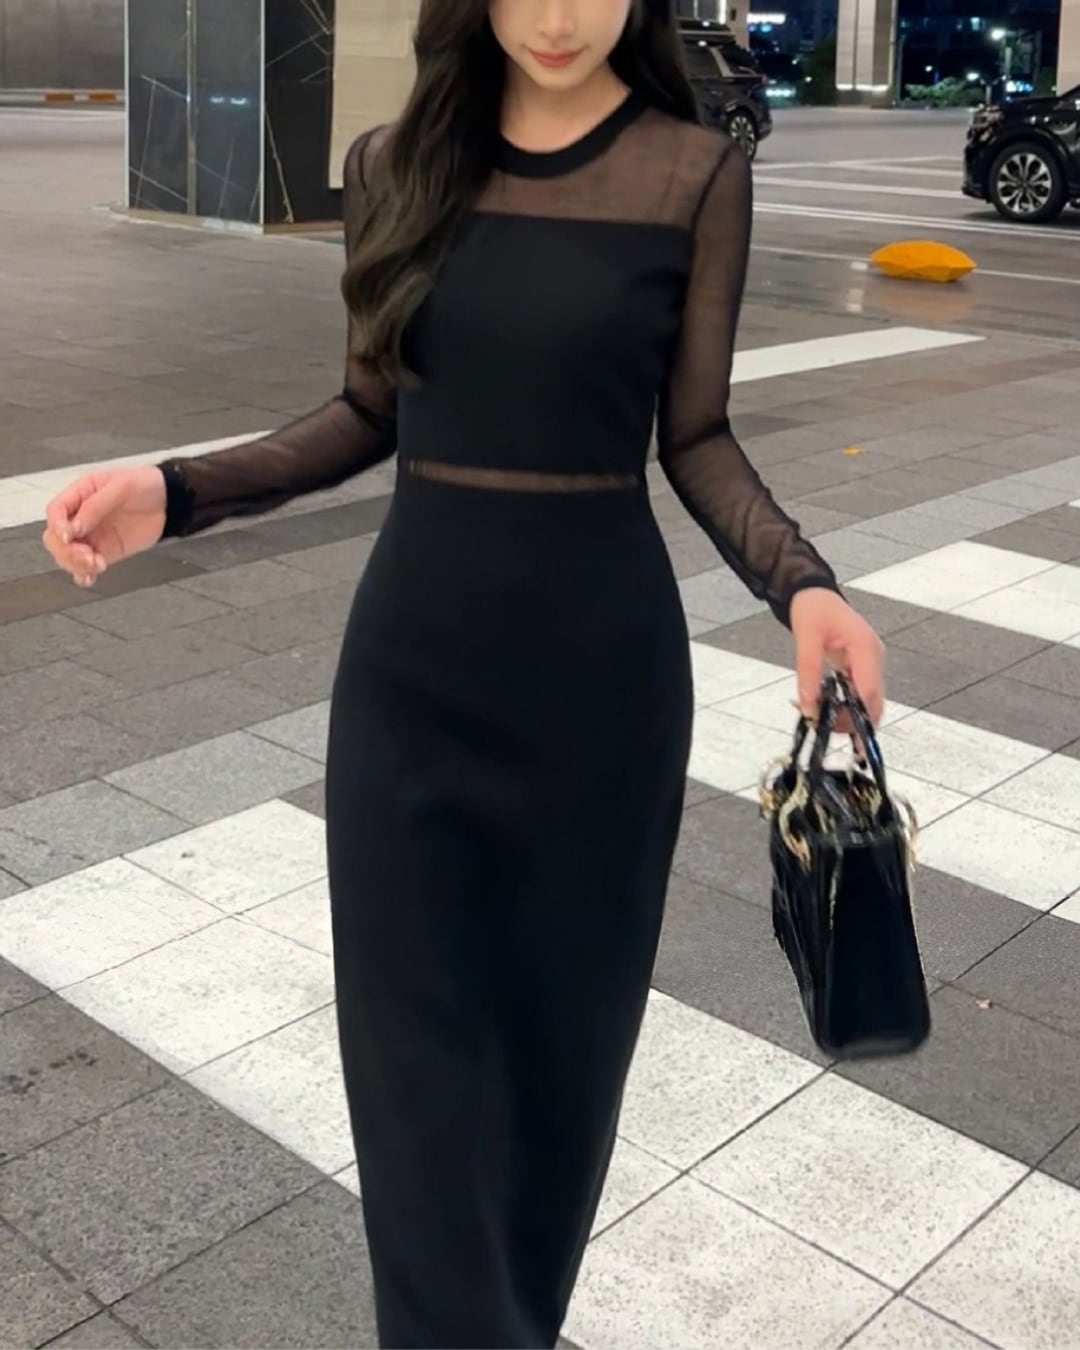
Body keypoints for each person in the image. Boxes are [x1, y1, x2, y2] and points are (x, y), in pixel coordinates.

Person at [42, 1, 885, 1344]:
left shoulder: (691, 173)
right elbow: (366, 411)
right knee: (416, 1101)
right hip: (412, 693)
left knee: (558, 1092)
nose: (555, 15)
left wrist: (807, 585)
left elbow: (697, 436)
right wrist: (176, 489)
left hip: (602, 703)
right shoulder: (395, 165)